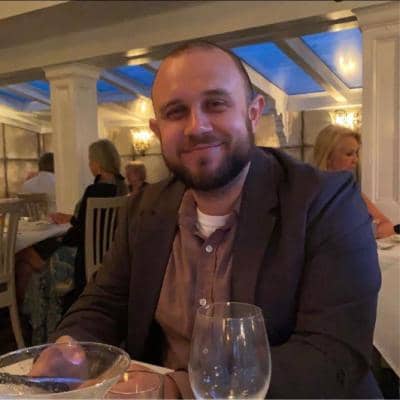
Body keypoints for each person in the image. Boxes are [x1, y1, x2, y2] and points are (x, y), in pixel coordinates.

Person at [43, 42, 380, 398]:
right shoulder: (143, 208)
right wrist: (68, 350)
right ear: (157, 130)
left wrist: (177, 390)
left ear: (253, 113)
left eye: (216, 104)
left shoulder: (326, 201)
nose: (197, 127)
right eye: (176, 112)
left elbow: (332, 354)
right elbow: (102, 303)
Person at [313, 124, 395, 239]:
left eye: (356, 153)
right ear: (328, 157)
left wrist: (365, 232)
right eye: (349, 154)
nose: (356, 160)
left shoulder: (351, 191)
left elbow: (387, 225)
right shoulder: (310, 193)